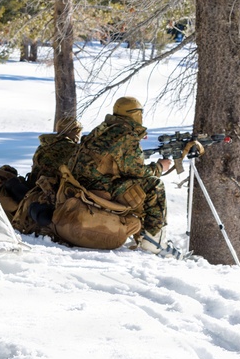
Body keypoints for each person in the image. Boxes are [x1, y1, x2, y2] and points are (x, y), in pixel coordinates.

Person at [67, 96, 182, 257]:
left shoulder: (103, 129)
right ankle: (154, 241)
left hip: (81, 185)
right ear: (135, 114)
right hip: (99, 189)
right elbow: (138, 172)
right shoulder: (126, 135)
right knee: (154, 185)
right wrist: (159, 167)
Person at [11, 115, 83, 235]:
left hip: (33, 190)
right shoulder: (72, 149)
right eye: (78, 131)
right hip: (50, 195)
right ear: (74, 132)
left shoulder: (43, 146)